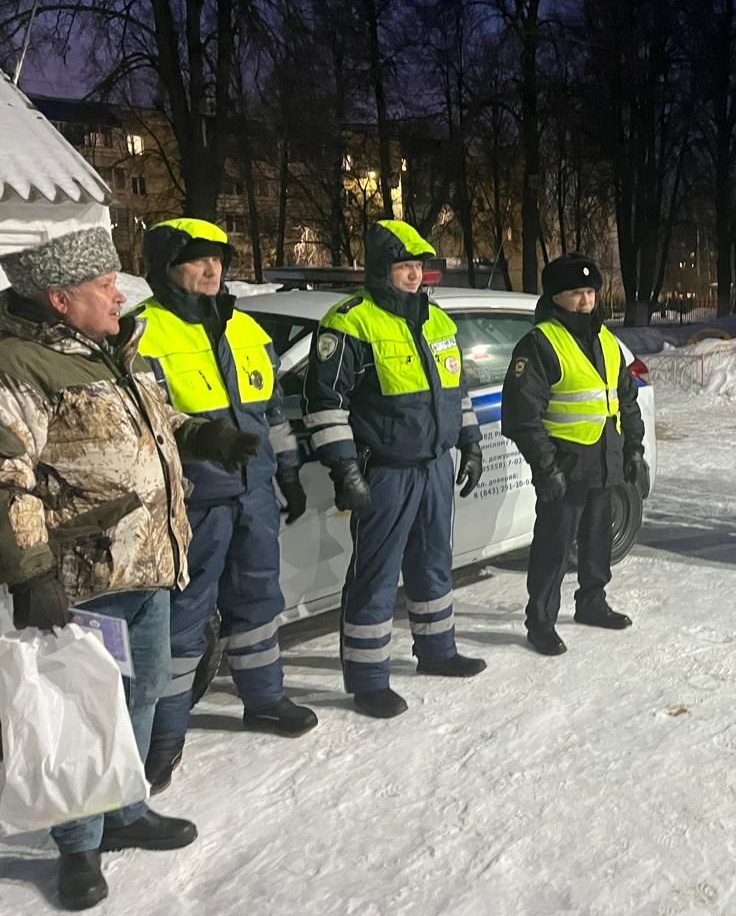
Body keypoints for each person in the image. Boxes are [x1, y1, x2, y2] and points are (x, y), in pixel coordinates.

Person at [0, 228, 260, 909]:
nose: (120, 294)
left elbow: (159, 422)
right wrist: (30, 573)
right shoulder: (19, 365)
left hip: (150, 557)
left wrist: (208, 437)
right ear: (60, 299)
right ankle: (79, 848)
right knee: (83, 712)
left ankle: (126, 810)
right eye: (104, 286)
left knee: (142, 692)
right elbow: (8, 478)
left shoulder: (119, 349)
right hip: (84, 574)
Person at [137, 219, 317, 793]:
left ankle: (263, 700)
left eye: (218, 259)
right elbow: (144, 430)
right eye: (197, 260)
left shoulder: (246, 329)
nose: (211, 270)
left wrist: (287, 473)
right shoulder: (142, 333)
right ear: (167, 267)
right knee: (184, 621)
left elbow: (274, 414)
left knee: (259, 600)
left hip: (254, 495)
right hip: (193, 504)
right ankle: (162, 740)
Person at [304, 220, 487, 720]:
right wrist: (344, 469)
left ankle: (437, 652)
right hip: (383, 469)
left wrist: (469, 444)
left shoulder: (439, 322)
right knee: (376, 575)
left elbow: (458, 393)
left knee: (433, 562)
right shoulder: (350, 322)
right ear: (382, 269)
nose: (412, 275)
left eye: (417, 266)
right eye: (403, 266)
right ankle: (367, 680)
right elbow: (324, 403)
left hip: (433, 466)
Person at [501, 254, 647, 655]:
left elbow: (626, 399)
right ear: (556, 297)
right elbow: (521, 416)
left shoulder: (606, 340)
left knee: (597, 538)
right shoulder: (539, 343)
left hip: (603, 457)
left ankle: (592, 602)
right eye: (576, 294)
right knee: (553, 545)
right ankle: (541, 620)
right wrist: (545, 468)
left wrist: (634, 448)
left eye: (590, 292)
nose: (586, 301)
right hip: (564, 464)